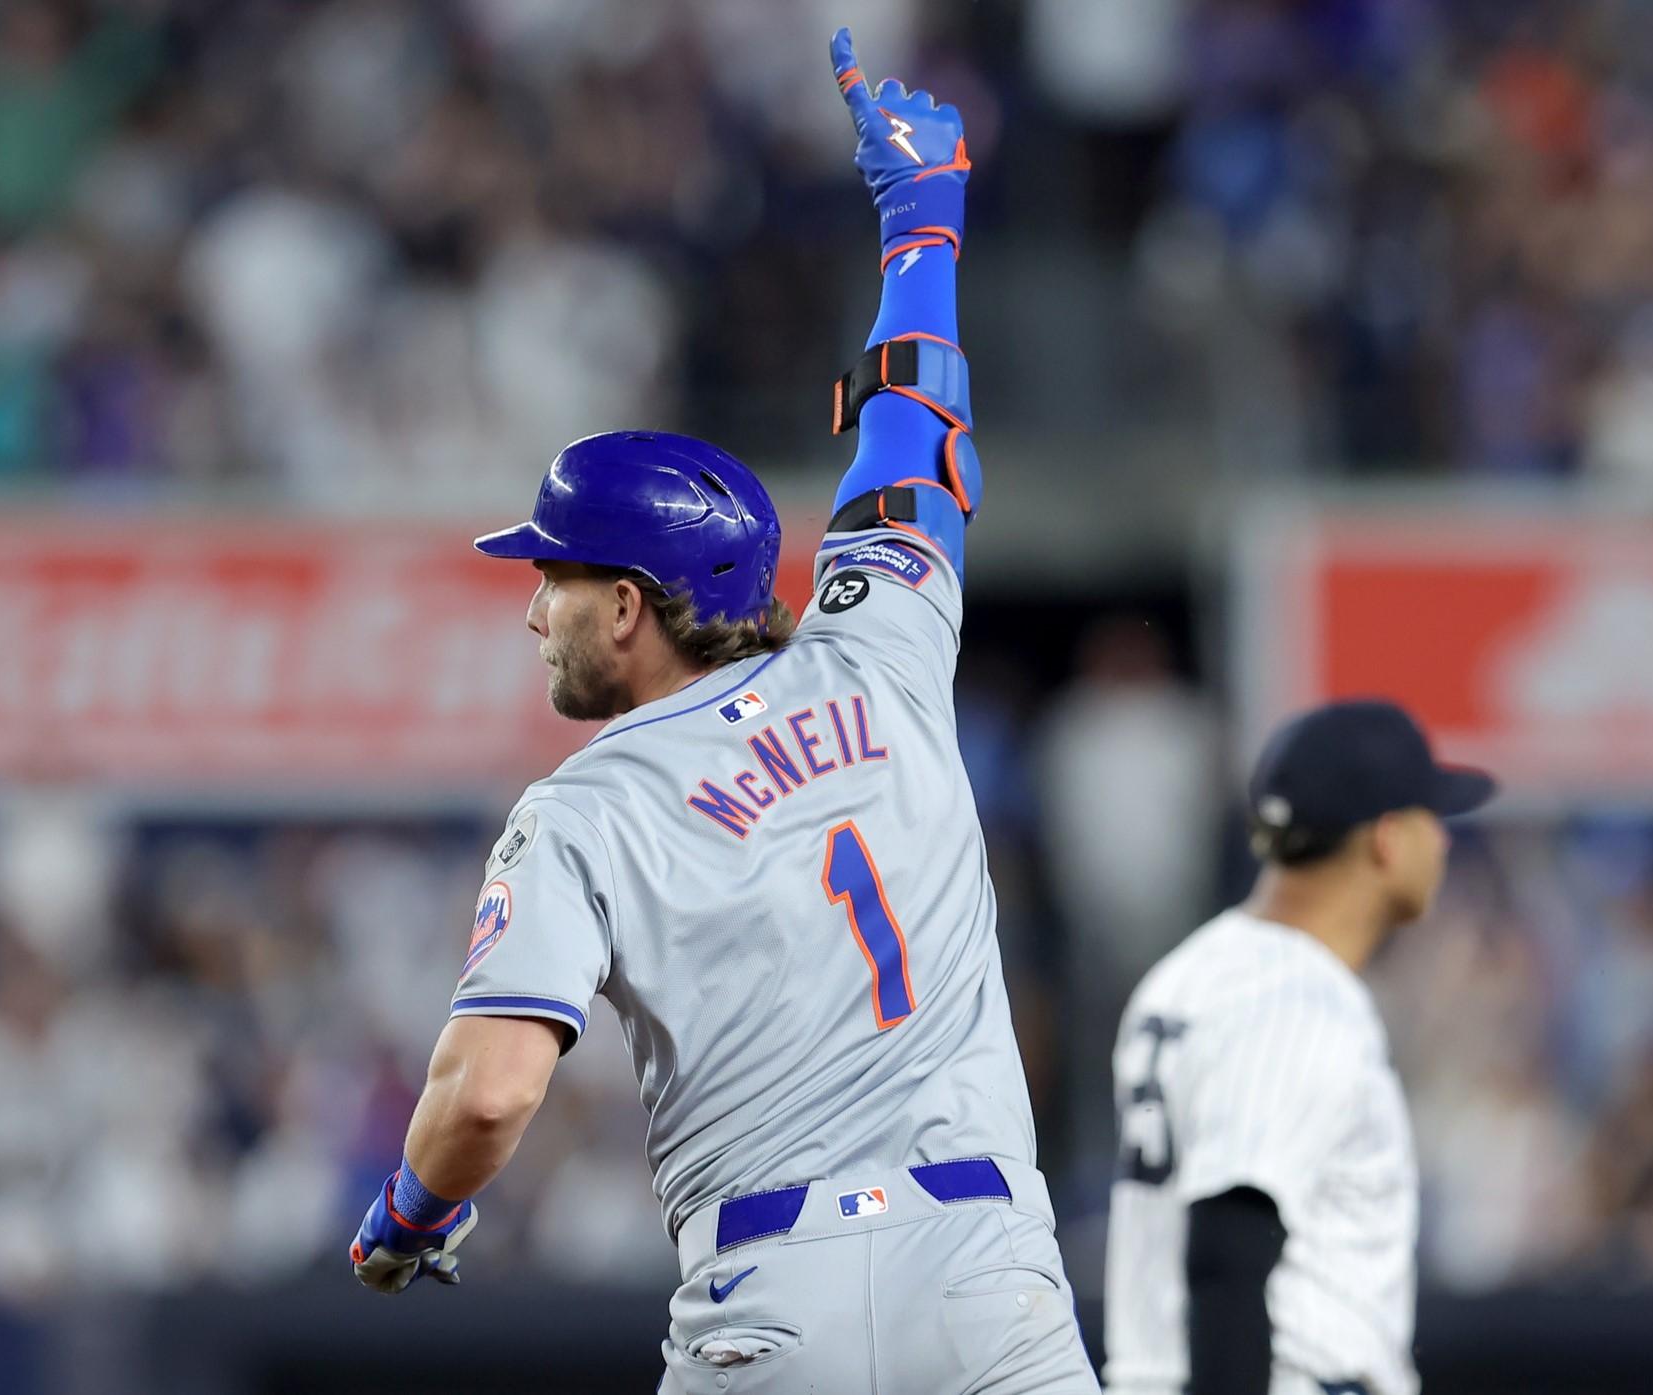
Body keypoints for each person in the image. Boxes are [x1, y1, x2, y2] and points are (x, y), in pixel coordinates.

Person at [345, 28, 1099, 1393]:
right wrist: (920, 221)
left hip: (775, 1297)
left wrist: (416, 1211)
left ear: (629, 603)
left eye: (554, 578)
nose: (533, 609)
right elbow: (915, 430)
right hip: (991, 1274)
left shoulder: (583, 811)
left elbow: (495, 1087)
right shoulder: (882, 652)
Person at [1102, 700, 1497, 1395]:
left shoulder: (1188, 972)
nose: (1443, 841)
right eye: (1429, 817)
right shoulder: (1293, 996)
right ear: (1386, 838)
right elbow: (1229, 1248)